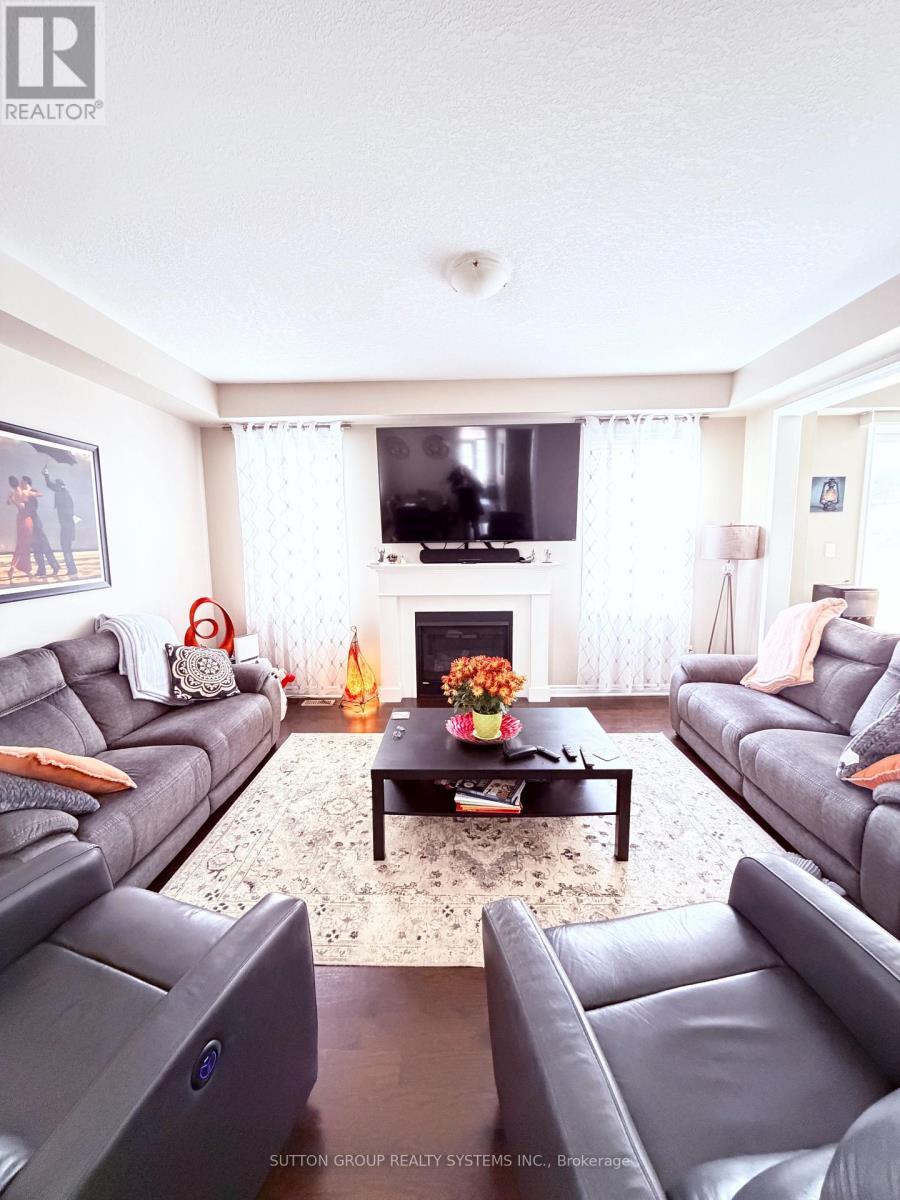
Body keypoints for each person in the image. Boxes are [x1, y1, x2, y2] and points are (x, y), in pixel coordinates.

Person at [19, 476, 59, 579]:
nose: (21, 483)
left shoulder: (32, 492)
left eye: (22, 481)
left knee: (44, 546)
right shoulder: (24, 493)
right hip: (30, 523)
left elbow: (33, 507)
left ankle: (55, 566)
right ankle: (42, 570)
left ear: (27, 482)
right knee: (36, 547)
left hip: (35, 523)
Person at [42, 467, 78, 576]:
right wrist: (46, 475)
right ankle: (72, 569)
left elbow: (68, 513)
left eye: (56, 485)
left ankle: (71, 569)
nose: (55, 487)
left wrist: (47, 476)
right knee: (66, 547)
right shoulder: (64, 493)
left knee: (65, 547)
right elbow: (50, 485)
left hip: (67, 526)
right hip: (67, 526)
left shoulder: (63, 496)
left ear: (59, 487)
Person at [5, 475, 34, 580]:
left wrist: (11, 500)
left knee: (22, 544)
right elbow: (22, 507)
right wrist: (15, 501)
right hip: (26, 520)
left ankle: (22, 569)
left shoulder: (13, 492)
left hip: (20, 520)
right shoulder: (22, 492)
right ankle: (18, 568)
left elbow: (8, 503)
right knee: (24, 544)